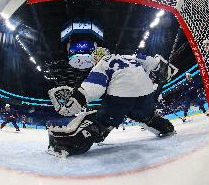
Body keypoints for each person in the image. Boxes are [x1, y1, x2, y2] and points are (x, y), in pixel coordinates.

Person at [47, 47, 175, 157]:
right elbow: (154, 63)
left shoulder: (103, 62)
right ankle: (167, 128)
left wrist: (77, 99)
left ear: (98, 57)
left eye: (94, 58)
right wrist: (164, 68)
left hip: (121, 94)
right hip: (146, 93)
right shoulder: (131, 56)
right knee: (148, 117)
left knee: (101, 122)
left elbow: (94, 86)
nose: (94, 61)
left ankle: (63, 145)